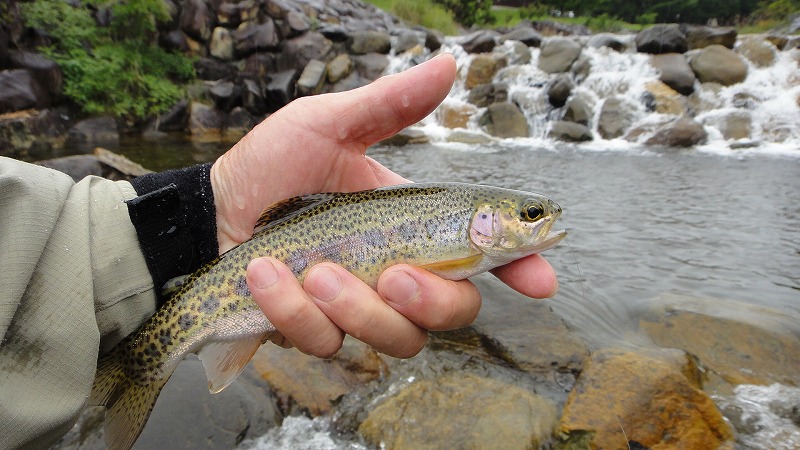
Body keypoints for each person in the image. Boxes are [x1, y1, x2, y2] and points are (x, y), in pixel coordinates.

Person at [0, 54, 558, 448]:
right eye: (530, 216)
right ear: (487, 222)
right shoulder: (462, 242)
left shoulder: (464, 227)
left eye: (532, 215)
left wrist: (203, 212)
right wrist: (214, 209)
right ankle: (140, 363)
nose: (539, 222)